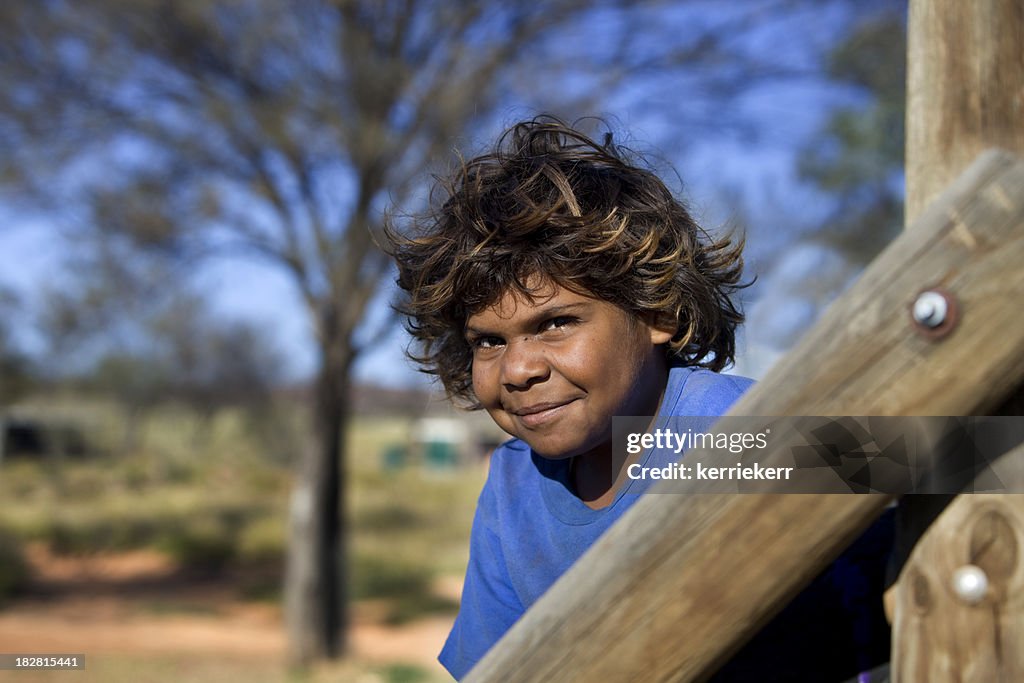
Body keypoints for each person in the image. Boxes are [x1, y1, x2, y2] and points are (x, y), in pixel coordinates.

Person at [387, 116, 892, 681]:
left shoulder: (730, 431)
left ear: (658, 312)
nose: (519, 369)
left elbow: (969, 457)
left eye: (555, 323)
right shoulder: (516, 485)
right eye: (488, 341)